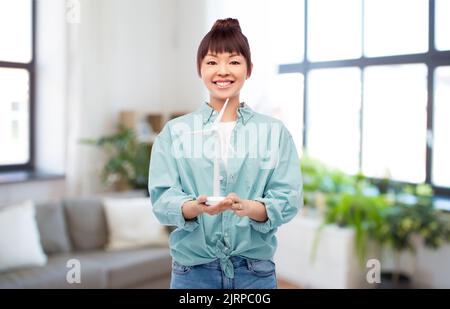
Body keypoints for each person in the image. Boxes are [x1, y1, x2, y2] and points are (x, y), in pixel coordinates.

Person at [148, 18, 303, 289]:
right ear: (199, 69)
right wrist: (194, 207)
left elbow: (288, 197)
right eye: (211, 62)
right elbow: (163, 200)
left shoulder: (274, 132)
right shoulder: (175, 133)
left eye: (233, 61)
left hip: (254, 274)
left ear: (249, 69)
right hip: (192, 273)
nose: (223, 71)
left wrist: (251, 208)